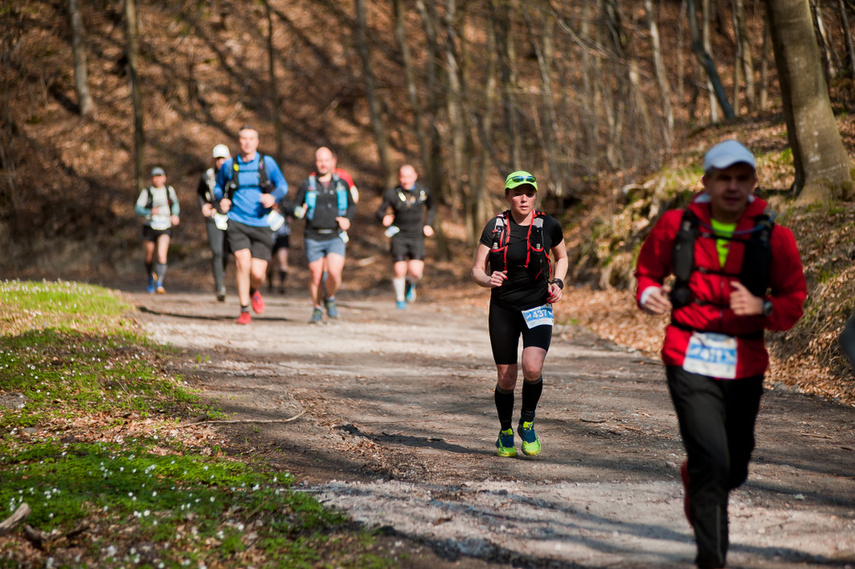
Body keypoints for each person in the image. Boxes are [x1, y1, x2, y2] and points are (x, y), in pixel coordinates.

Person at [634, 140, 806, 569]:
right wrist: (648, 293)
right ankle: (711, 559)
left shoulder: (776, 237)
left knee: (734, 467)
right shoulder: (676, 225)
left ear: (753, 182)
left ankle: (696, 477)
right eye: (723, 178)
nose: (732, 186)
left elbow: (794, 299)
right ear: (706, 182)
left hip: (745, 362)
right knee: (712, 461)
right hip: (687, 355)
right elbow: (648, 271)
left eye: (741, 178)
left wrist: (764, 307)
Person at [470, 171, 568, 458]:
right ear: (507, 196)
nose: (523, 198)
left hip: (538, 305)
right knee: (507, 378)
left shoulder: (548, 225)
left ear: (535, 195)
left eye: (529, 192)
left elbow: (562, 257)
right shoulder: (495, 226)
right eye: (517, 193)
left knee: (533, 367)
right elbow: (476, 269)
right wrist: (487, 279)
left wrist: (558, 282)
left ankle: (527, 422)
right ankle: (505, 432)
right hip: (503, 308)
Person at [214, 126, 288, 325]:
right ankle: (244, 309)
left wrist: (273, 197)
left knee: (258, 273)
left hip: (262, 223)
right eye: (243, 138)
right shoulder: (229, 165)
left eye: (251, 139)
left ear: (257, 142)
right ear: (239, 141)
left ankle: (254, 290)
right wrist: (221, 199)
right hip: (237, 220)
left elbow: (283, 186)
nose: (247, 142)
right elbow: (218, 187)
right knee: (242, 263)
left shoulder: (267, 163)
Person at [292, 146, 357, 323]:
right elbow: (294, 206)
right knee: (316, 274)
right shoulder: (307, 184)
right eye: (320, 160)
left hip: (335, 235)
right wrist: (299, 212)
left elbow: (352, 205)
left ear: (333, 161)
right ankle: (316, 308)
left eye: (326, 160)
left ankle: (330, 297)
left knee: (334, 273)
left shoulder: (341, 184)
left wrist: (347, 220)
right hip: (313, 235)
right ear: (315, 162)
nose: (323, 164)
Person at [376, 164, 435, 309]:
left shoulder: (423, 192)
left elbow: (432, 208)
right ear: (398, 177)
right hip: (399, 235)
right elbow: (379, 212)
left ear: (415, 176)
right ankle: (400, 299)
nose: (405, 180)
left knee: (415, 271)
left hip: (417, 235)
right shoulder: (391, 194)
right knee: (399, 269)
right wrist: (383, 218)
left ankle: (410, 283)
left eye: (408, 177)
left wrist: (428, 224)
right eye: (402, 177)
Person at [135, 166, 180, 294]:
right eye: (155, 177)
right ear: (152, 178)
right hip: (149, 226)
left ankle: (159, 282)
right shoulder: (147, 192)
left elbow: (175, 204)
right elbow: (138, 209)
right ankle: (150, 277)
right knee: (149, 257)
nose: (157, 179)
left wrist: (175, 215)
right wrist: (149, 211)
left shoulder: (169, 190)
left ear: (164, 178)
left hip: (165, 226)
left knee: (161, 255)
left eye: (160, 176)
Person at [197, 143, 231, 301]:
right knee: (216, 251)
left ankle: (221, 273)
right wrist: (203, 205)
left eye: (223, 158)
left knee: (226, 252)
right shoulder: (208, 175)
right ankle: (219, 286)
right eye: (218, 159)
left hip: (231, 217)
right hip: (213, 216)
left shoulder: (234, 174)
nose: (221, 162)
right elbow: (200, 192)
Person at [267, 196, 293, 294]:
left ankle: (282, 284)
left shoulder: (285, 202)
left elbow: (292, 213)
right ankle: (270, 281)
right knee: (270, 263)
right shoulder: (265, 200)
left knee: (283, 261)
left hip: (282, 236)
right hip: (269, 236)